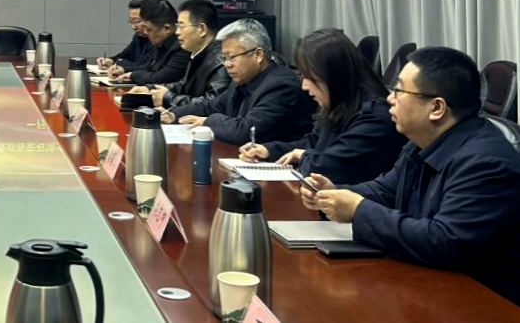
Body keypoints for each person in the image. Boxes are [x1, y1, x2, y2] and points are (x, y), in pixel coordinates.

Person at [300, 47, 520, 305]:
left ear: (436, 108)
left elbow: (445, 242)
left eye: (399, 91)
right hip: (432, 286)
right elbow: (385, 190)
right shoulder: (421, 143)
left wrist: (358, 210)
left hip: (483, 302)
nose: (389, 99)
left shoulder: (487, 163)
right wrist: (334, 194)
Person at [239, 29, 405, 184]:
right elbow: (314, 142)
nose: (304, 86)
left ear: (332, 74)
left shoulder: (374, 118)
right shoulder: (342, 103)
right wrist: (269, 150)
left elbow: (328, 168)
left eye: (309, 77)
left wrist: (304, 156)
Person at [162, 18, 314, 144]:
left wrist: (208, 121)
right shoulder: (242, 80)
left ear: (258, 55)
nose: (227, 64)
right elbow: (211, 106)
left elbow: (247, 131)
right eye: (224, 58)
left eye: (232, 57)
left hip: (279, 165)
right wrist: (173, 114)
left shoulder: (282, 86)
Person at [130, 0, 229, 111]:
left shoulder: (222, 59)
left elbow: (213, 103)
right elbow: (183, 85)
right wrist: (150, 89)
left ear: (202, 29)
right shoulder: (198, 53)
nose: (177, 32)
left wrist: (168, 98)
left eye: (181, 27)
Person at [110, 0, 188, 86]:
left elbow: (162, 77)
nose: (146, 33)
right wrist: (125, 70)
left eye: (148, 29)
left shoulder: (182, 46)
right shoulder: (160, 42)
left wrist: (132, 75)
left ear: (166, 28)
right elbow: (149, 66)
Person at [96, 0, 152, 71]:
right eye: (131, 21)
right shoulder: (138, 36)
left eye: (137, 21)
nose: (133, 27)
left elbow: (146, 67)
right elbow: (124, 56)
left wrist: (122, 65)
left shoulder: (157, 40)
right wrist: (111, 60)